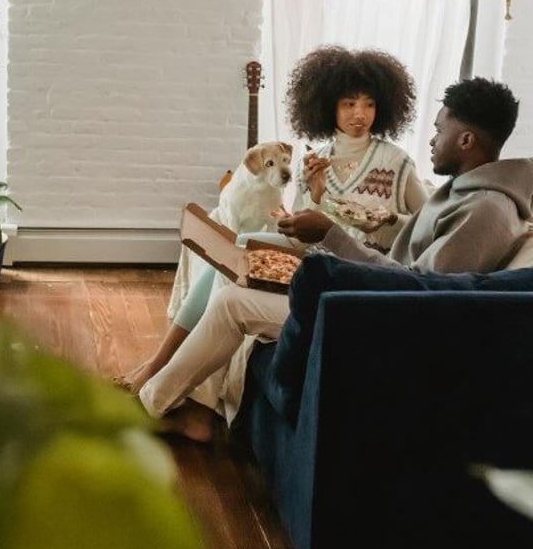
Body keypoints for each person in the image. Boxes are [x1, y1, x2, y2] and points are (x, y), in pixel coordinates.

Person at [138, 76, 533, 442]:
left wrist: (330, 236)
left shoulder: (485, 211)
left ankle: (153, 405)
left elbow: (422, 295)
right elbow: (408, 264)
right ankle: (169, 402)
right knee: (238, 267)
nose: (431, 140)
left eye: (438, 130)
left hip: (368, 314)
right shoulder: (466, 194)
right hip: (361, 288)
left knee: (231, 302)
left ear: (465, 140)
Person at [118, 45, 429, 397]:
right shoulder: (314, 159)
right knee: (229, 252)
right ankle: (162, 365)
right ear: (328, 105)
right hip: (313, 260)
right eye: (349, 103)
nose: (360, 114)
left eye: (369, 104)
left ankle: (163, 373)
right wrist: (314, 193)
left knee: (231, 264)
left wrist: (388, 220)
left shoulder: (397, 162)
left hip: (358, 271)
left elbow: (427, 223)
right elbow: (295, 227)